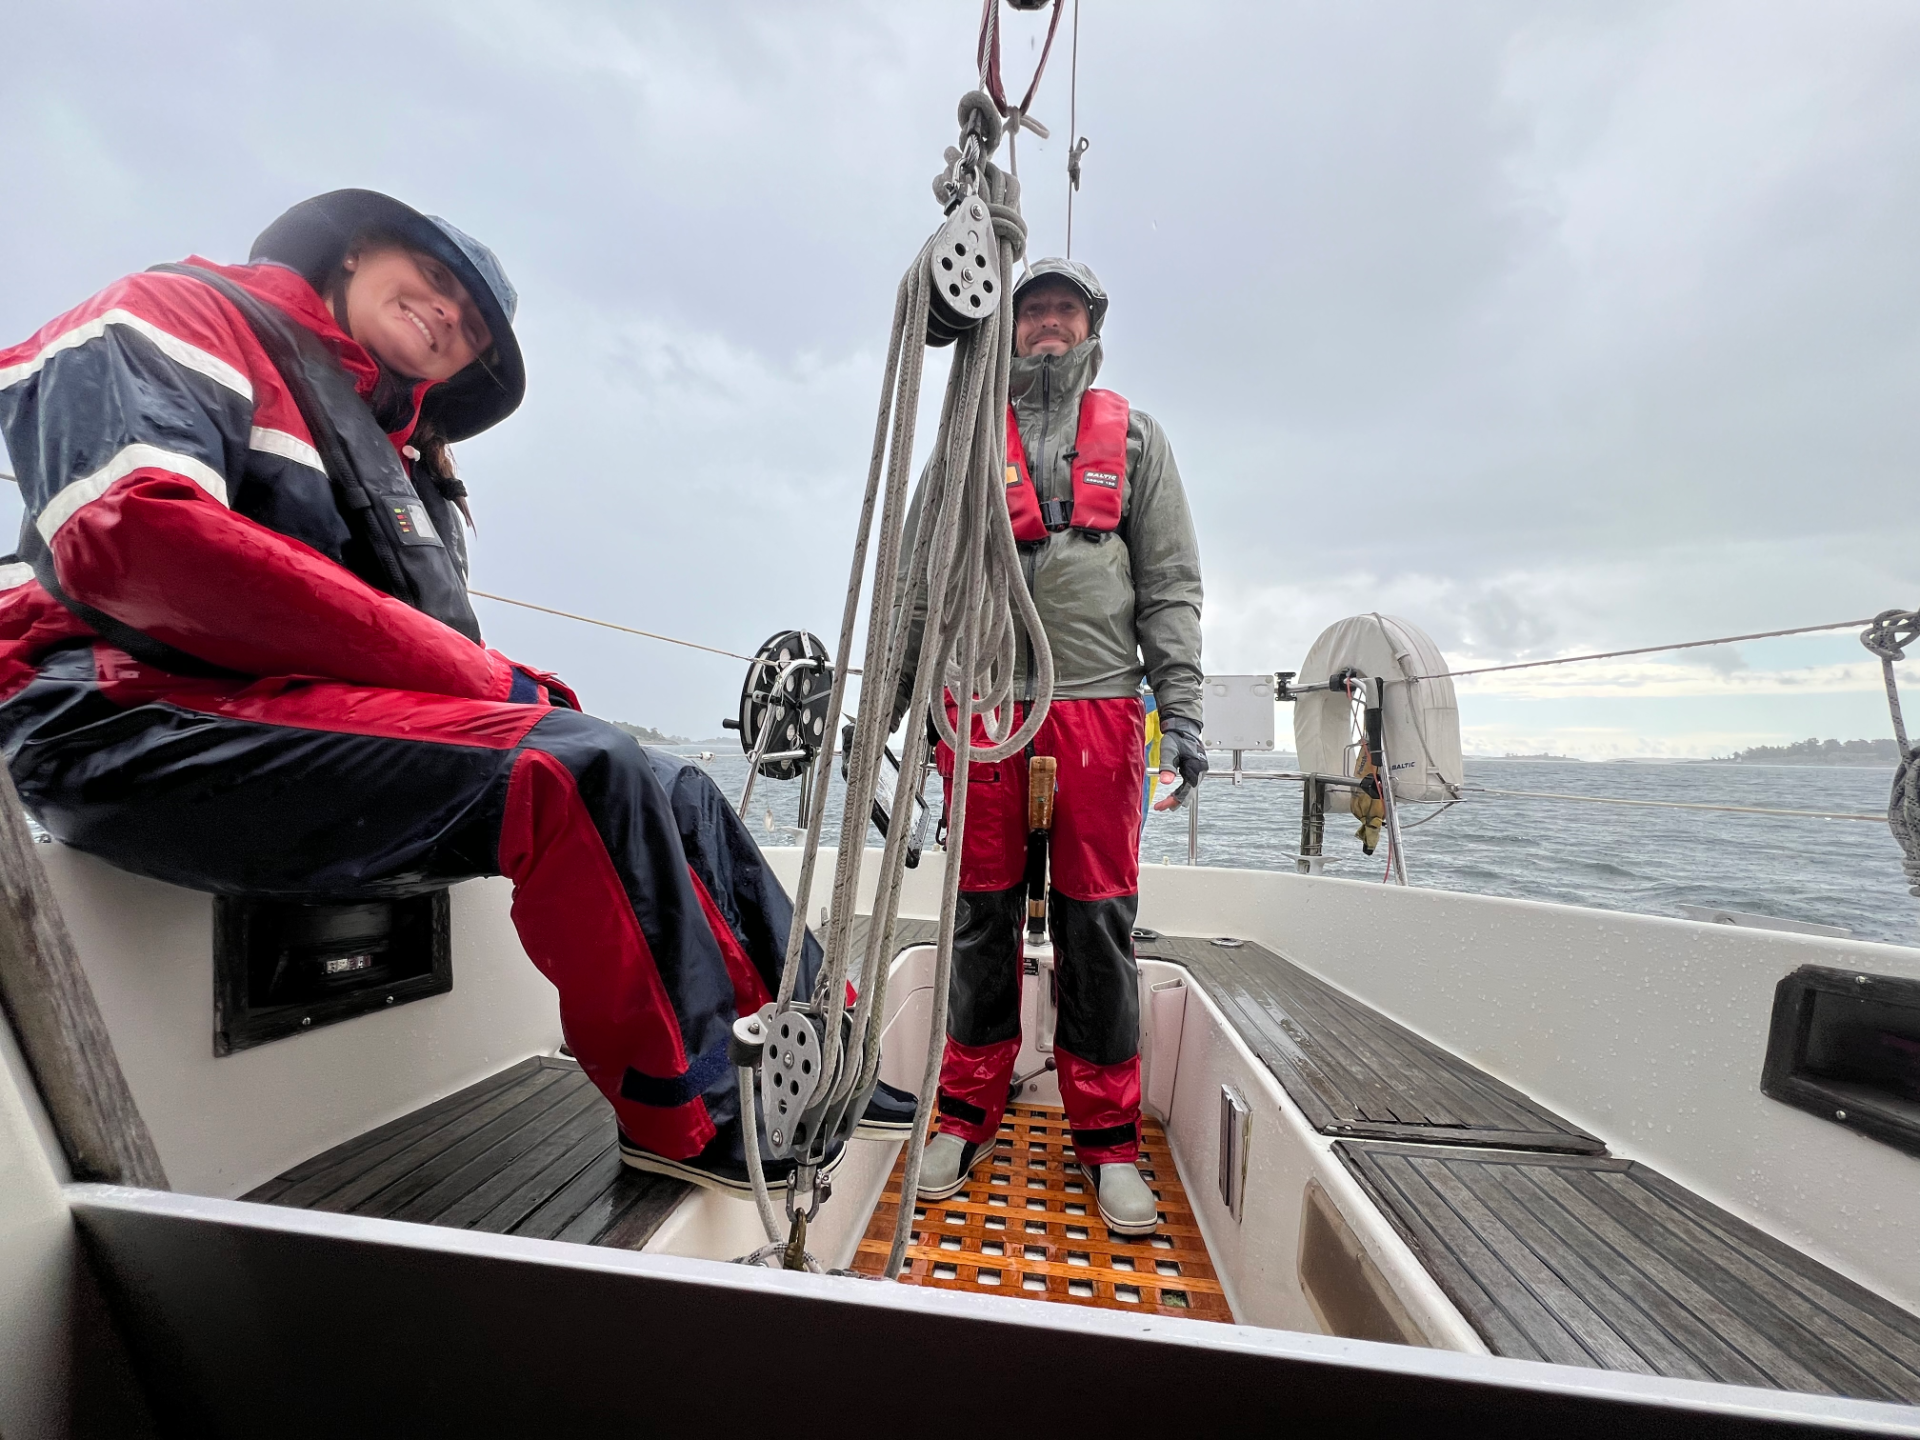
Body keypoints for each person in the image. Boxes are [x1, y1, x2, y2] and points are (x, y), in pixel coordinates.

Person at [0, 189, 907, 1194]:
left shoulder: (398, 460)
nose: (447, 314)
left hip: (283, 721)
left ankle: (823, 1060)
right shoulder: (184, 312)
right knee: (576, 769)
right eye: (434, 278)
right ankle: (688, 1115)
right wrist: (498, 685)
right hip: (127, 717)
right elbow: (135, 539)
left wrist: (506, 689)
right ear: (354, 251)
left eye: (472, 324)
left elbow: (403, 650)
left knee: (677, 785)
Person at [890, 259, 1205, 1234]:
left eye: (1066, 309)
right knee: (979, 919)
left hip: (1099, 712)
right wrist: (890, 707)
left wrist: (1183, 713)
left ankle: (1107, 1141)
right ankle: (964, 1113)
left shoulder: (1139, 440)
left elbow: (1171, 586)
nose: (1050, 324)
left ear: (1091, 324)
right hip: (983, 706)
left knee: (1097, 928)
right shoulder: (963, 441)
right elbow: (916, 583)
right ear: (1010, 326)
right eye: (1034, 311)